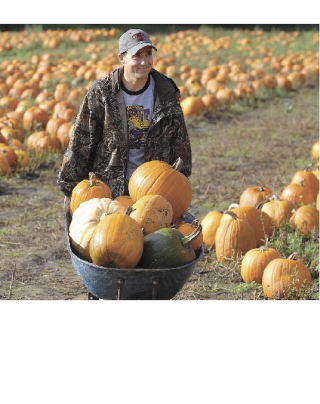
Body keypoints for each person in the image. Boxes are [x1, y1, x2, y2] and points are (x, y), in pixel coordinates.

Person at [58, 28, 192, 212]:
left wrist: (180, 185)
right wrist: (69, 189)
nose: (145, 62)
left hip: (155, 190)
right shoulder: (102, 93)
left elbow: (180, 141)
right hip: (109, 191)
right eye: (137, 55)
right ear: (122, 58)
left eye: (148, 54)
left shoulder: (165, 91)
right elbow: (82, 141)